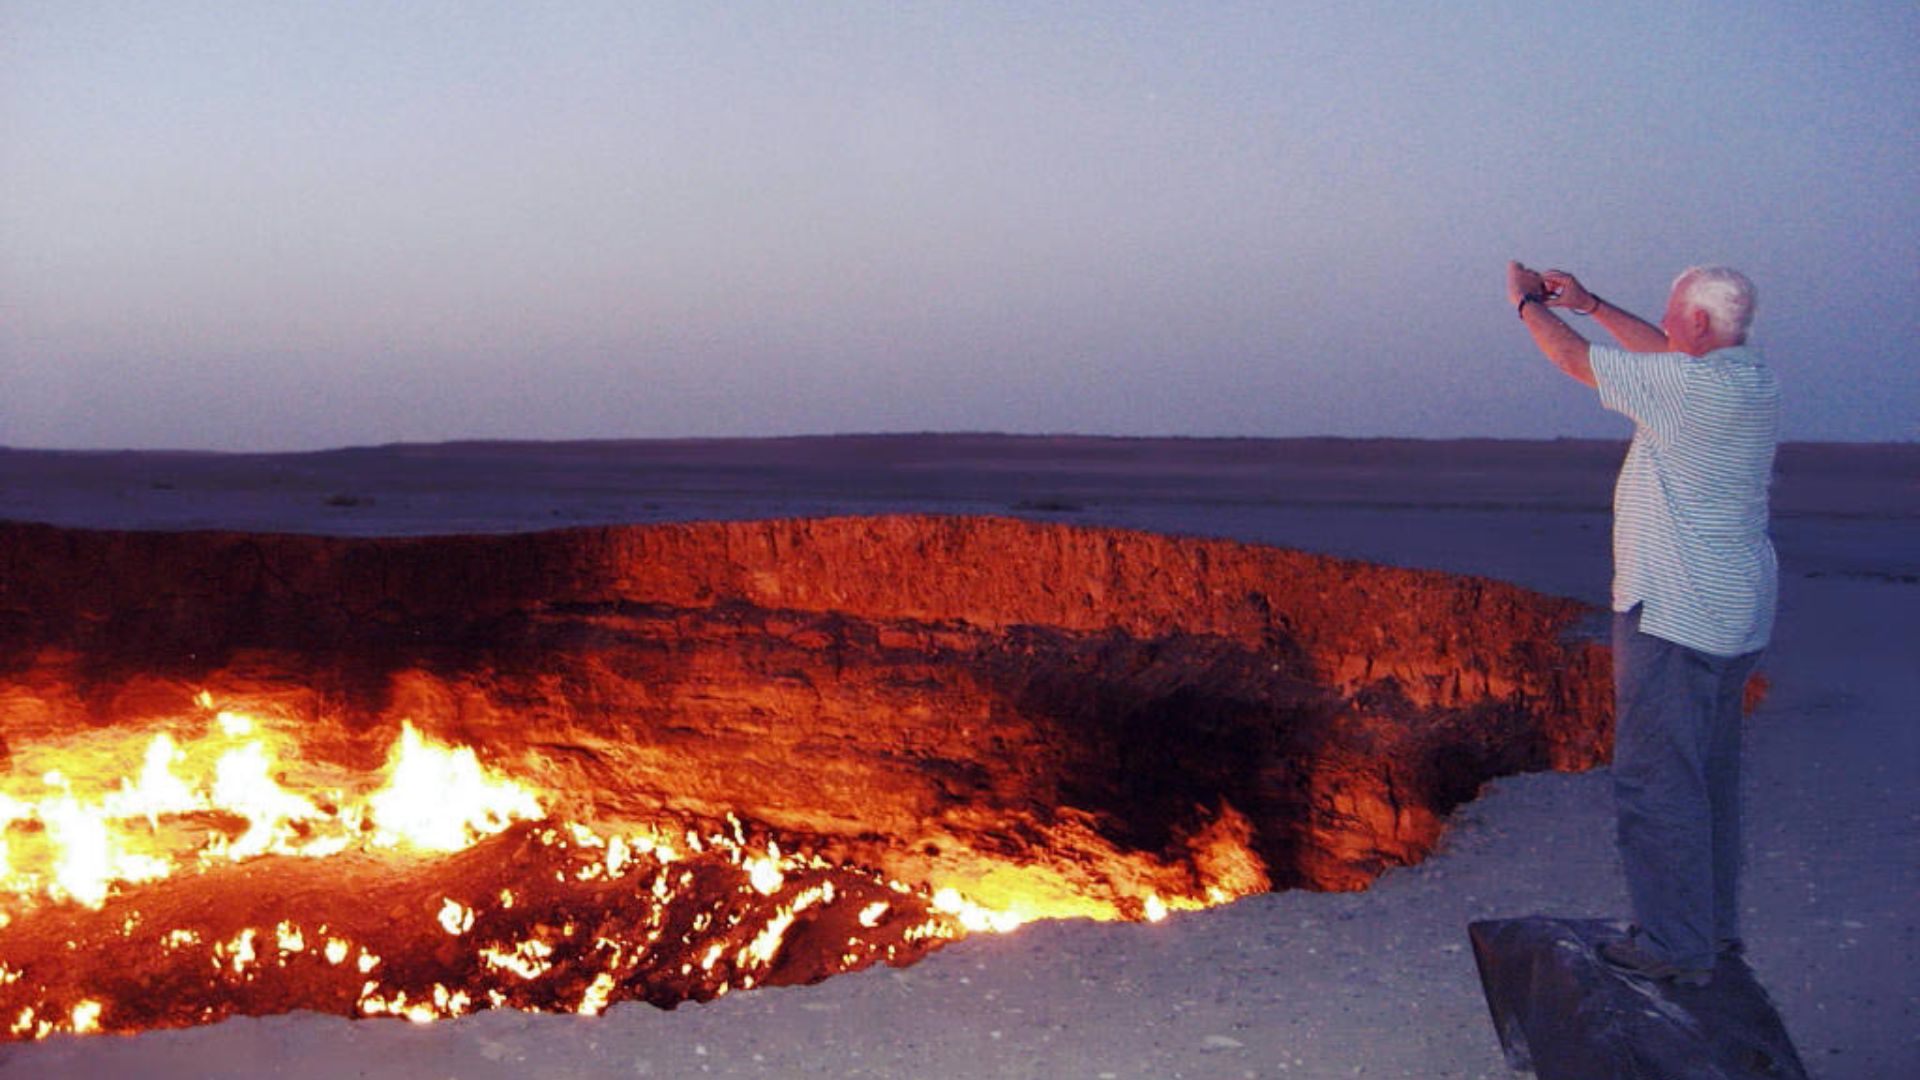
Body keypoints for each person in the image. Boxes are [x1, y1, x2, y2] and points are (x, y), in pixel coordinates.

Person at [1505, 260, 1780, 988]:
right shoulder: (1747, 377)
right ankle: (1709, 933)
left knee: (1657, 785)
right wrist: (1592, 302)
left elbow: (1573, 361)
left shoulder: (1689, 390)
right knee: (1707, 782)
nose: (1662, 323)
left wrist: (1526, 304)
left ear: (1696, 321)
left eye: (1671, 313)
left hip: (1676, 616)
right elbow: (1660, 352)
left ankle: (1673, 945)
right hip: (1733, 616)